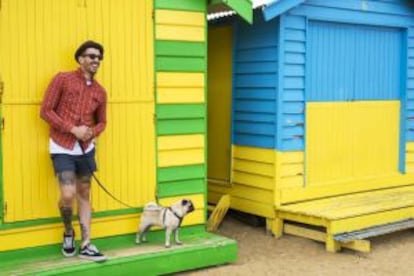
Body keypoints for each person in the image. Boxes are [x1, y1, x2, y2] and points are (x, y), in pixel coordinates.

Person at [40, 40, 107, 262]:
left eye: (99, 57)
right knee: (68, 195)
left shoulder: (100, 92)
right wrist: (72, 129)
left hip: (86, 150)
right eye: (91, 56)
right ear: (80, 59)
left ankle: (87, 243)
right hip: (62, 146)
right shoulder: (62, 79)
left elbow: (102, 122)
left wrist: (91, 132)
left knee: (85, 193)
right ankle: (68, 232)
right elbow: (46, 111)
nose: (96, 60)